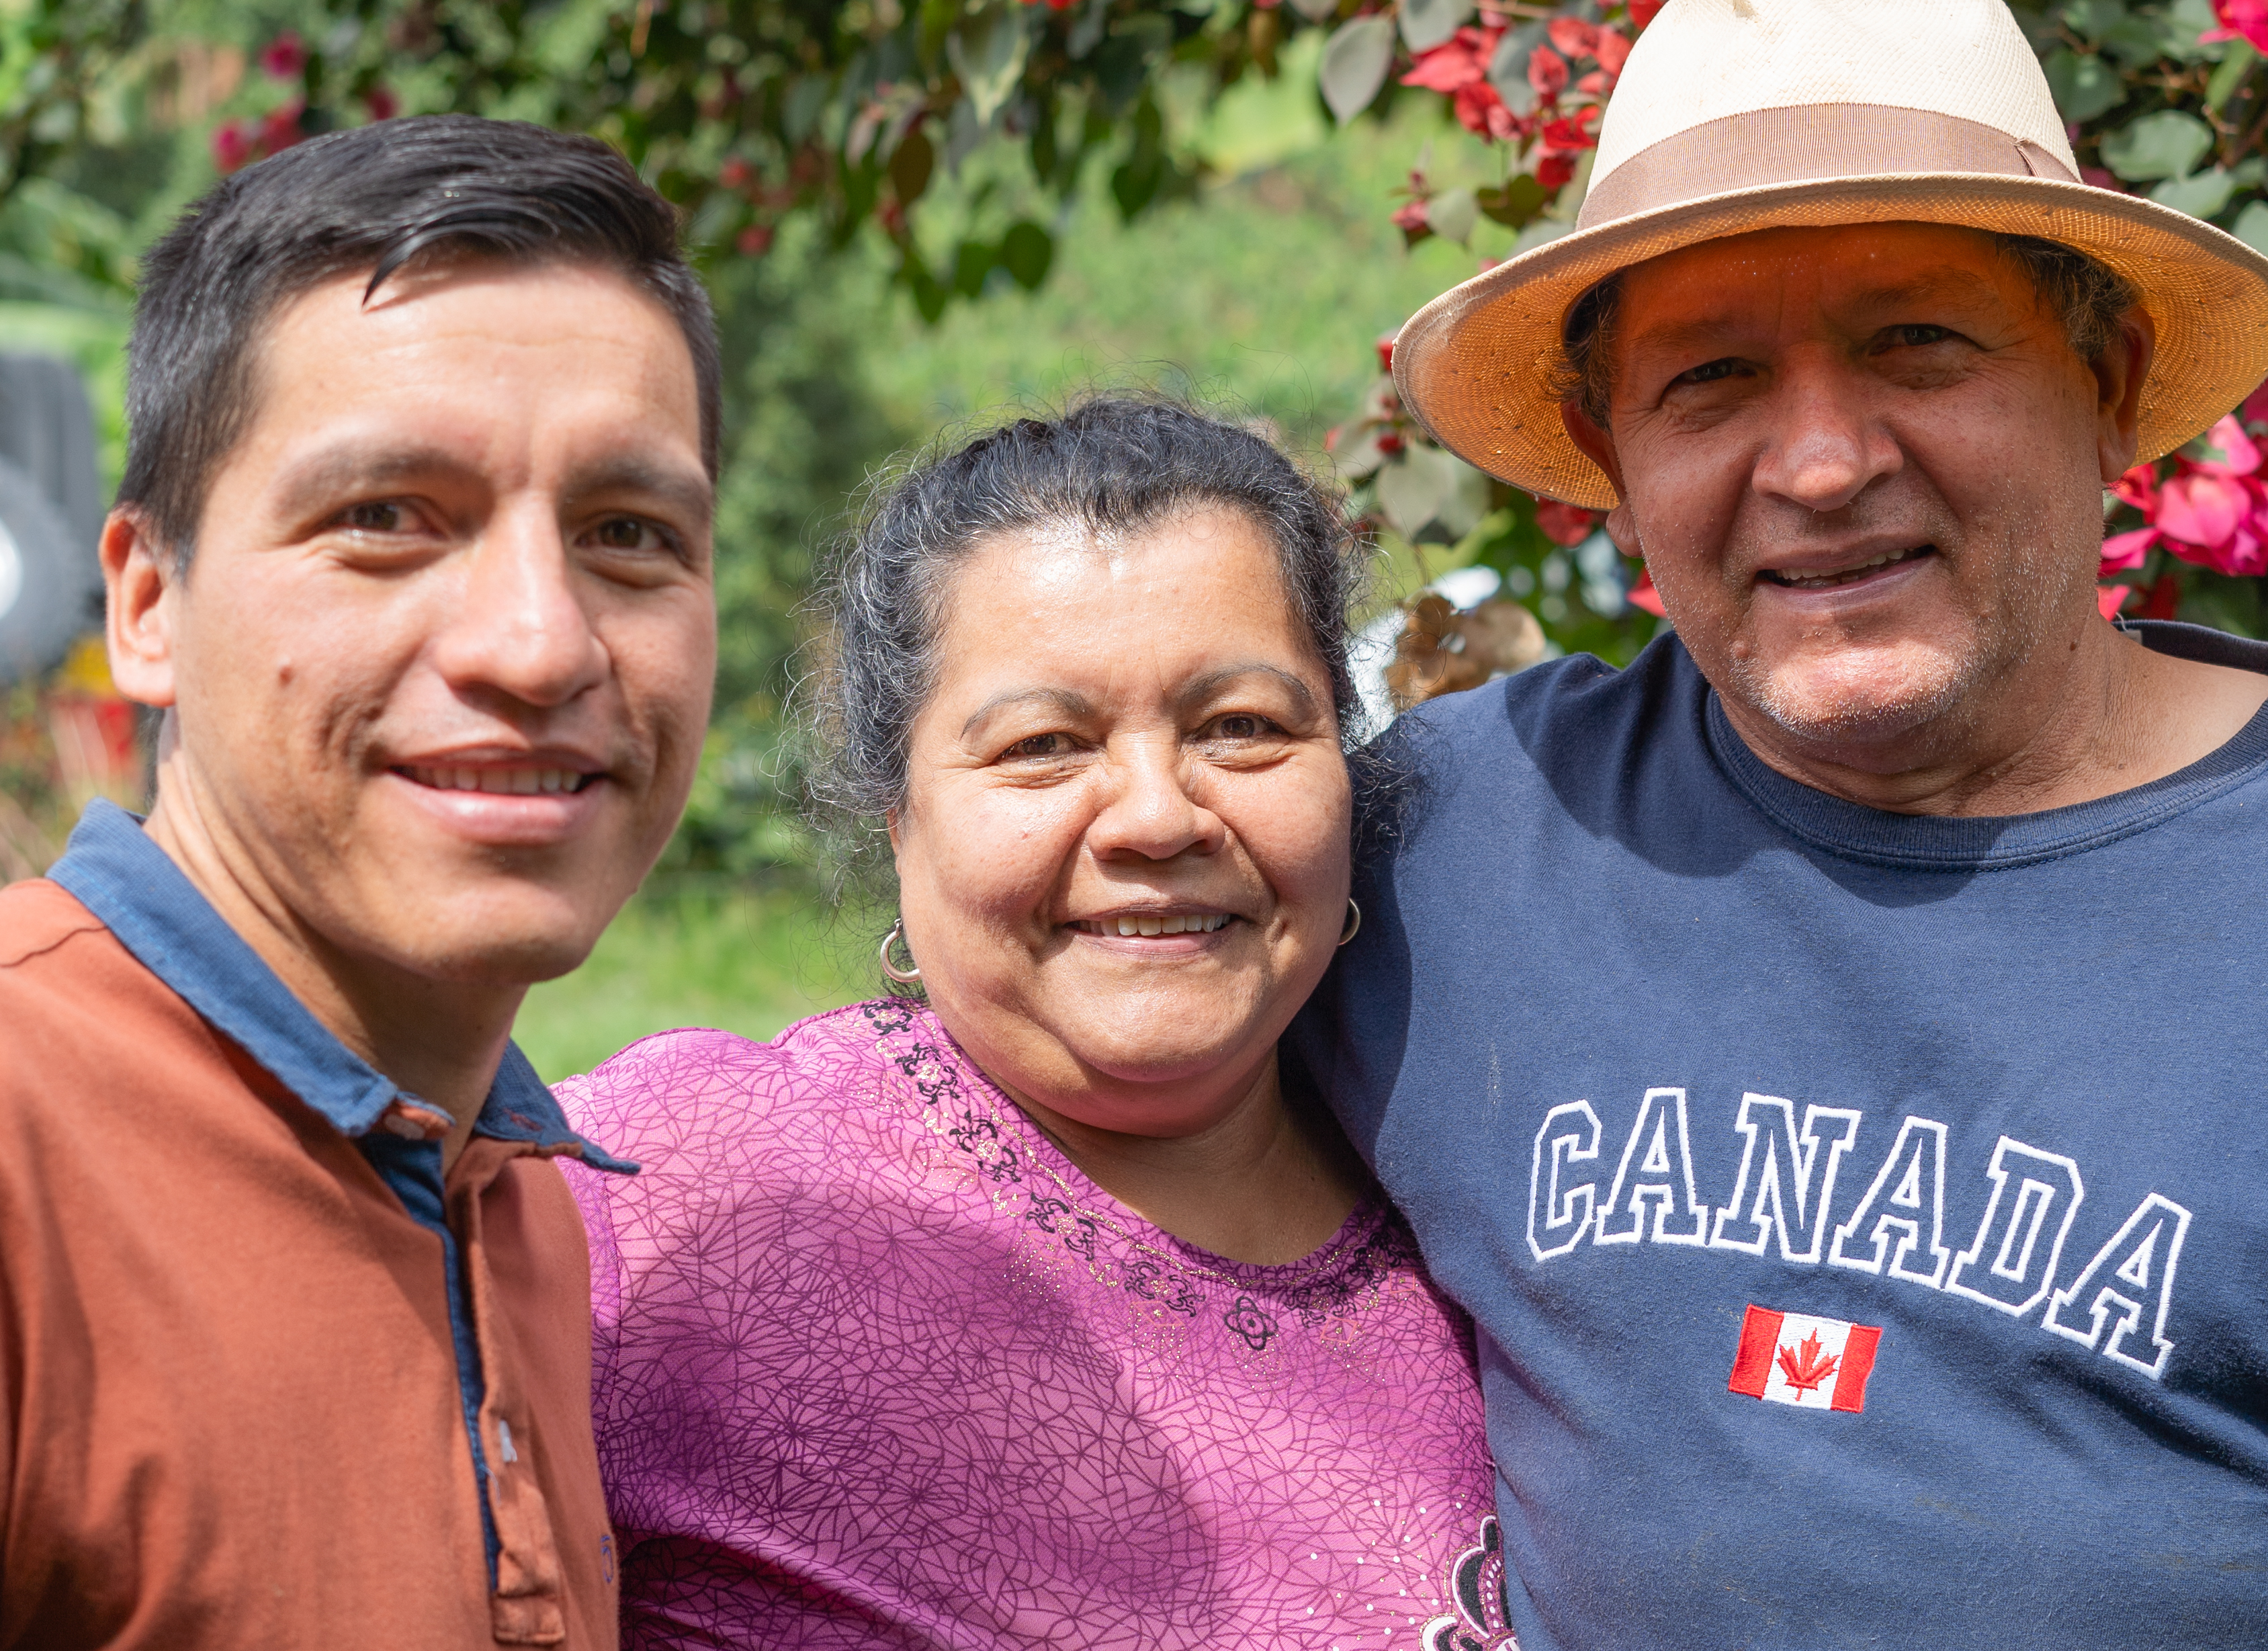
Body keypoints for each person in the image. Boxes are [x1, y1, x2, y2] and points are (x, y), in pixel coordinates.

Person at [1291, 1, 2268, 1646]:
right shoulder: (1447, 839)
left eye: (1917, 346)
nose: (1817, 464)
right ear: (1608, 453)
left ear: (2103, 387)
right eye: (1710, 379)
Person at [561, 401, 1506, 1649]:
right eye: (1044, 745)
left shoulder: (1497, 1218)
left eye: (1243, 727)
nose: (1158, 817)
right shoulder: (669, 1183)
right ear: (900, 819)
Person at [0, 116, 719, 1649]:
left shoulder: (511, 1194)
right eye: (385, 518)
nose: (536, 644)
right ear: (144, 604)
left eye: (627, 534)